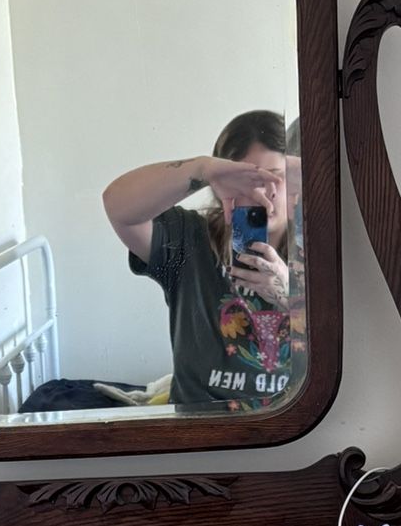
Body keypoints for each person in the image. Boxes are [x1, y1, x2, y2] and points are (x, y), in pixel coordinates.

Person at [101, 110, 305, 411]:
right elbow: (117, 206)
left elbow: (349, 346)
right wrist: (202, 168)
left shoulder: (318, 245)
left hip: (294, 430)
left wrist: (290, 295)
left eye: (274, 176)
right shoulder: (189, 238)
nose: (262, 192)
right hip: (200, 435)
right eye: (246, 179)